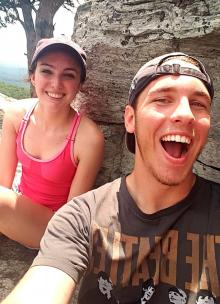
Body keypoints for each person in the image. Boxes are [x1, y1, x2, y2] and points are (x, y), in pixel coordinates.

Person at [2, 52, 220, 304]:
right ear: (130, 118)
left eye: (199, 104)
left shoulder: (87, 137)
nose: (186, 114)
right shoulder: (81, 218)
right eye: (162, 99)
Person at [0, 37, 104, 248]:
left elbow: (72, 217)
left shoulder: (88, 138)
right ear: (32, 76)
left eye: (68, 75)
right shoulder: (16, 116)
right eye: (46, 71)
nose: (56, 84)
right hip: (16, 209)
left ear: (80, 85)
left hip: (54, 228)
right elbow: (4, 183)